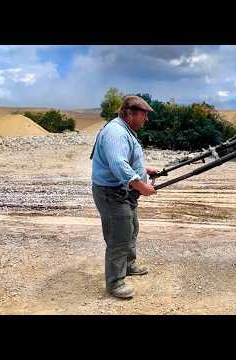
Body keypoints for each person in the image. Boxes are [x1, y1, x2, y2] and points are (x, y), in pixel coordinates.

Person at [91, 95, 159, 299]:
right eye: (143, 115)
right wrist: (141, 185)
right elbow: (118, 164)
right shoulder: (116, 132)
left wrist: (144, 169)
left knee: (131, 228)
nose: (145, 119)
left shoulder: (124, 130)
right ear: (129, 113)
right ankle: (115, 282)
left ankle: (128, 265)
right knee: (118, 237)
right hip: (112, 194)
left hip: (123, 192)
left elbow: (124, 159)